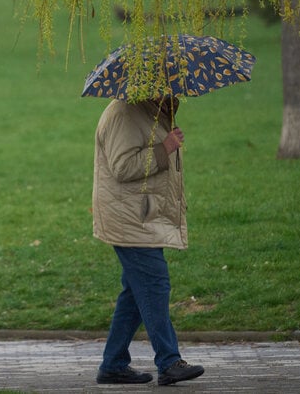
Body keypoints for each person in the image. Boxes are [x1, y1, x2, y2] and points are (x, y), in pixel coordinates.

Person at [91, 95, 205, 386]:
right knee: (154, 283)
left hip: (141, 215)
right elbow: (123, 167)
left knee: (134, 292)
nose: (173, 88)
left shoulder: (150, 110)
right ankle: (169, 362)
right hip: (130, 219)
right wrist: (164, 148)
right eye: (167, 79)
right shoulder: (125, 113)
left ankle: (113, 364)